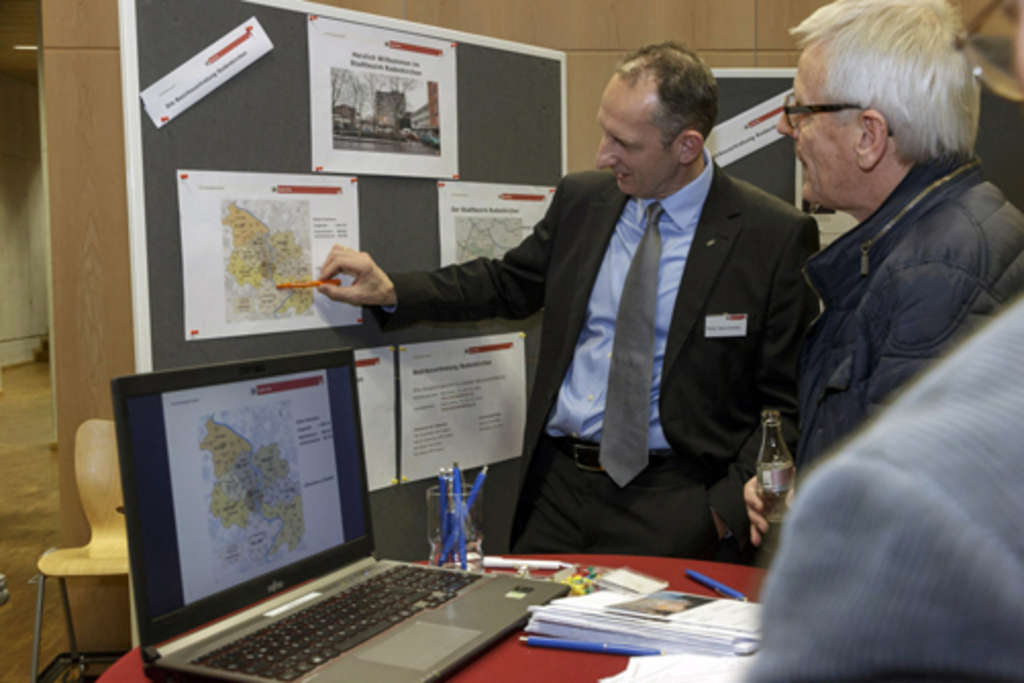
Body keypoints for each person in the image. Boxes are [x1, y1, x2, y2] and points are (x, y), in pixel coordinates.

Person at [318, 42, 820, 559]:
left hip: (677, 503)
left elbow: (786, 399)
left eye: (623, 142)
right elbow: (506, 283)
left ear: (686, 146)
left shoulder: (772, 236)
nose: (603, 155)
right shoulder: (585, 200)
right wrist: (396, 289)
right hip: (558, 494)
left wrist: (721, 511)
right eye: (605, 131)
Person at [746, 1, 1024, 679]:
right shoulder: (929, 237)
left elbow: (906, 542)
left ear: (870, 135)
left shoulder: (941, 269)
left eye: (802, 108)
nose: (788, 127)